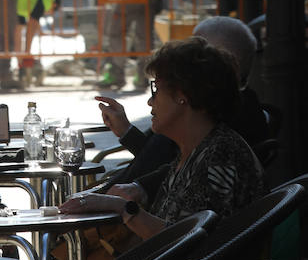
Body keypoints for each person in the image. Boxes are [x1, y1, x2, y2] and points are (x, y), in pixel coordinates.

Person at [62, 38, 265, 240]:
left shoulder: (219, 154)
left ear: (181, 95)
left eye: (156, 90)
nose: (150, 101)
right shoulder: (194, 150)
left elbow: (190, 245)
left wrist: (124, 209)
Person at [94, 15, 269, 184]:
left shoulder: (213, 121)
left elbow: (176, 174)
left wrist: (135, 197)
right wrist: (126, 131)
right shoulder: (204, 111)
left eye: (195, 51)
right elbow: (162, 160)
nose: (150, 101)